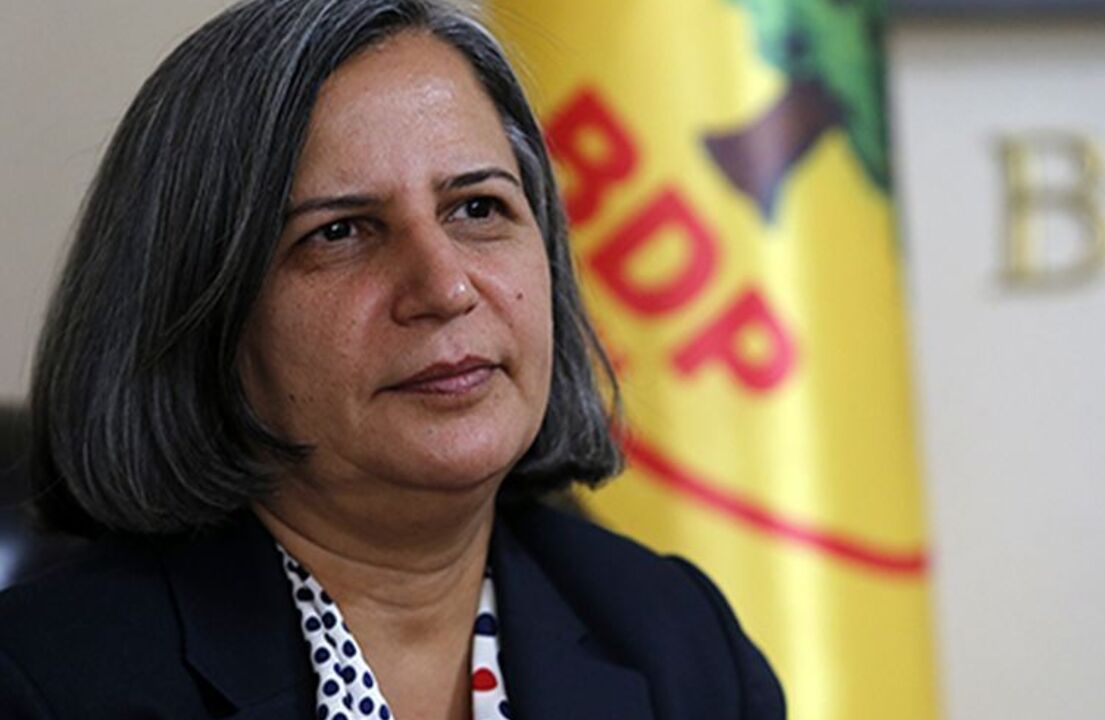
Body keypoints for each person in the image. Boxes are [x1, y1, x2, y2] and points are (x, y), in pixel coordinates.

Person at [0, 1, 786, 718]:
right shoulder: (47, 683)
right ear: (201, 310)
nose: (443, 286)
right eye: (340, 232)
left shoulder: (681, 645)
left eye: (478, 208)